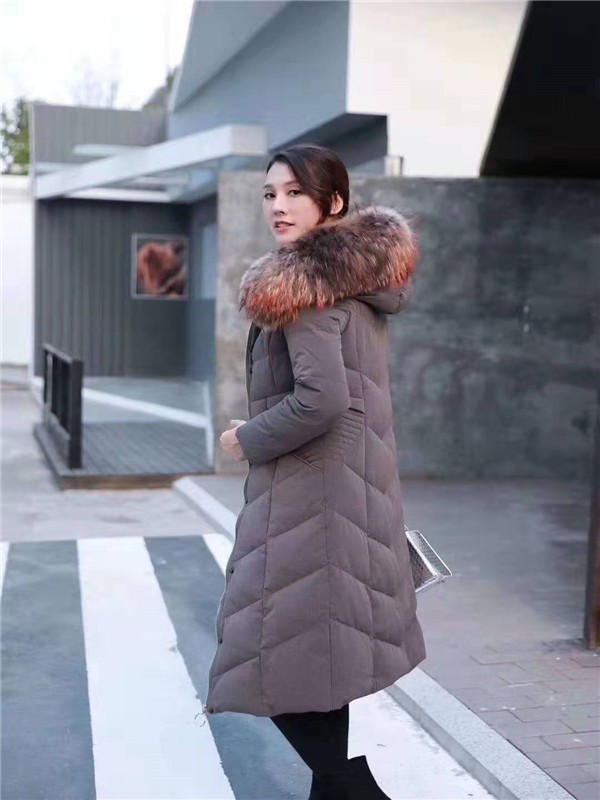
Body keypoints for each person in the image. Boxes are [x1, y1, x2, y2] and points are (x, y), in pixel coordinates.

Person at [203, 144, 427, 799]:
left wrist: (248, 438)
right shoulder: (359, 283)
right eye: (270, 193)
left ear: (333, 202)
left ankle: (354, 791)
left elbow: (323, 400)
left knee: (271, 660)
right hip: (351, 492)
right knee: (322, 661)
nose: (278, 206)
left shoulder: (304, 287)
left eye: (295, 193)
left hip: (312, 501)